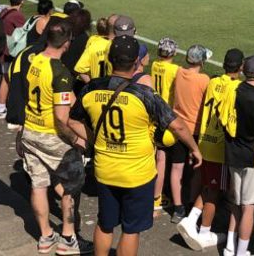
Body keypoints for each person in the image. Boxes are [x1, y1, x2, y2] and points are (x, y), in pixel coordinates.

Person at [75, 35, 202, 256]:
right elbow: (178, 127)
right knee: (131, 229)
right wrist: (194, 148)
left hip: (105, 168)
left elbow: (70, 120)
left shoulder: (91, 88)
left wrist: (94, 137)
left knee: (105, 223)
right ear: (136, 62)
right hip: (137, 173)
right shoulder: (144, 94)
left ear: (109, 59)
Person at [17, 19, 89, 254]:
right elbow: (61, 117)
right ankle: (68, 238)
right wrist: (76, 140)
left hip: (31, 130)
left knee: (38, 184)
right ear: (67, 43)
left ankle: (46, 235)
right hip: (52, 136)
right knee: (71, 187)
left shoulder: (34, 60)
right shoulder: (60, 72)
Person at [177, 49, 244, 251]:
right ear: (240, 67)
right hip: (219, 146)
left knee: (209, 186)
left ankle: (193, 221)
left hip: (205, 141)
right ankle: (203, 229)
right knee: (213, 191)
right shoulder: (238, 88)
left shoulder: (213, 82)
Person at [223, 55, 254, 256]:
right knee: (248, 207)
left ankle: (229, 247)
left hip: (233, 153)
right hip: (252, 157)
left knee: (236, 203)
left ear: (243, 70)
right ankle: (241, 251)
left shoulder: (233, 90)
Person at [168, 44, 211, 223]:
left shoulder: (178, 73)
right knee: (196, 168)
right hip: (194, 130)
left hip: (177, 126)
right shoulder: (204, 80)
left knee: (176, 167)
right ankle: (193, 204)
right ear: (201, 61)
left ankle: (178, 208)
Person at [151, 38, 181, 217]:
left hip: (154, 112)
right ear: (174, 53)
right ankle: (156, 198)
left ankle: (156, 194)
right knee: (162, 159)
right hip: (166, 115)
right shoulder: (175, 70)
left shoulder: (155, 65)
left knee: (158, 156)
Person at [75, 17, 113, 83]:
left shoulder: (92, 40)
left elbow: (80, 68)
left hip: (93, 80)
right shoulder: (113, 44)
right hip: (108, 83)